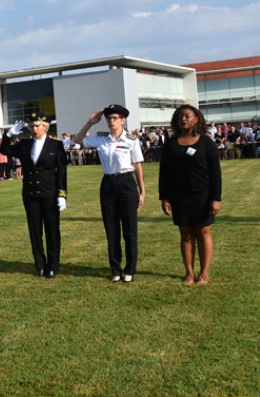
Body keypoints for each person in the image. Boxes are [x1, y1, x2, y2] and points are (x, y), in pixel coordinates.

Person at [74, 105, 146, 283]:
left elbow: (137, 165)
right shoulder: (101, 140)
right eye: (109, 118)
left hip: (127, 184)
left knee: (129, 230)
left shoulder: (131, 140)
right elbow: (77, 140)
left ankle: (130, 269)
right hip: (108, 184)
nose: (111, 121)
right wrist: (90, 122)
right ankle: (115, 269)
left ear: (123, 120)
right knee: (111, 230)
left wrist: (142, 190)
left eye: (115, 118)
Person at [159, 105, 222, 286]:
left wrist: (216, 199)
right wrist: (165, 197)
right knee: (185, 234)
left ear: (196, 119)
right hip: (179, 196)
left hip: (203, 195)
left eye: (187, 116)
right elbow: (164, 173)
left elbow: (216, 174)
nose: (183, 119)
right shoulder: (171, 144)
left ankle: (204, 273)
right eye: (180, 116)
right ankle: (189, 273)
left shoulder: (206, 142)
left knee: (203, 232)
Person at [1, 113, 68, 278]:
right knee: (34, 231)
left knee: (52, 231)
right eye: (31, 126)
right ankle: (40, 265)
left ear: (45, 127)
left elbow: (62, 171)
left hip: (50, 193)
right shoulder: (24, 144)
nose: (33, 129)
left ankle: (53, 266)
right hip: (30, 194)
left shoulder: (56, 145)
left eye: (37, 125)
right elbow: (4, 149)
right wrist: (8, 134)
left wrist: (62, 194)